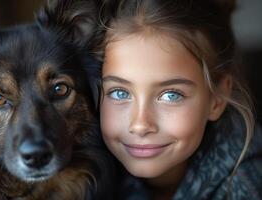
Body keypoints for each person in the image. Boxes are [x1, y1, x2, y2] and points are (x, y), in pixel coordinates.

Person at [98, 0, 262, 199]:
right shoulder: (82, 170)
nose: (140, 125)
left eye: (171, 95)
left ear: (217, 99)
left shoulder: (245, 188)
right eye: (119, 93)